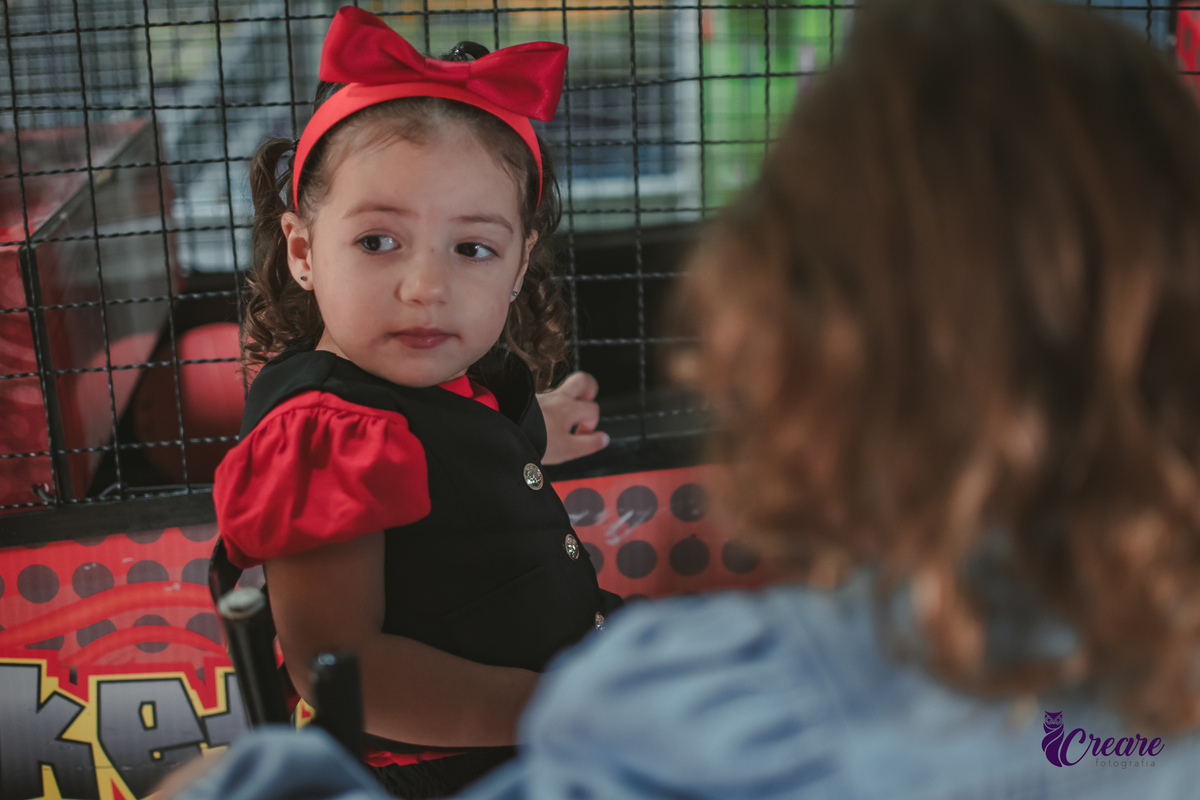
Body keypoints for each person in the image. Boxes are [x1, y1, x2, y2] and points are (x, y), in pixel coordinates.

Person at [211, 7, 620, 798]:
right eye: (378, 241)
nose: (426, 287)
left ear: (518, 260)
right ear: (302, 250)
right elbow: (348, 670)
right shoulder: (322, 437)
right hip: (458, 771)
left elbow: (453, 456)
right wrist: (565, 707)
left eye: (472, 248)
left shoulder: (444, 381)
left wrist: (538, 434)